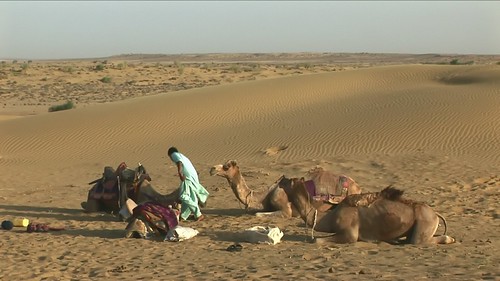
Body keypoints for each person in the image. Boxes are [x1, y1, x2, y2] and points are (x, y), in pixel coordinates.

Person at [167, 146, 209, 222]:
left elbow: (179, 162)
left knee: (183, 196)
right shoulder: (184, 157)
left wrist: (180, 174)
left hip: (187, 177)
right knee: (190, 196)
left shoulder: (175, 154)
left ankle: (198, 214)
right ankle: (184, 216)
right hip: (192, 176)